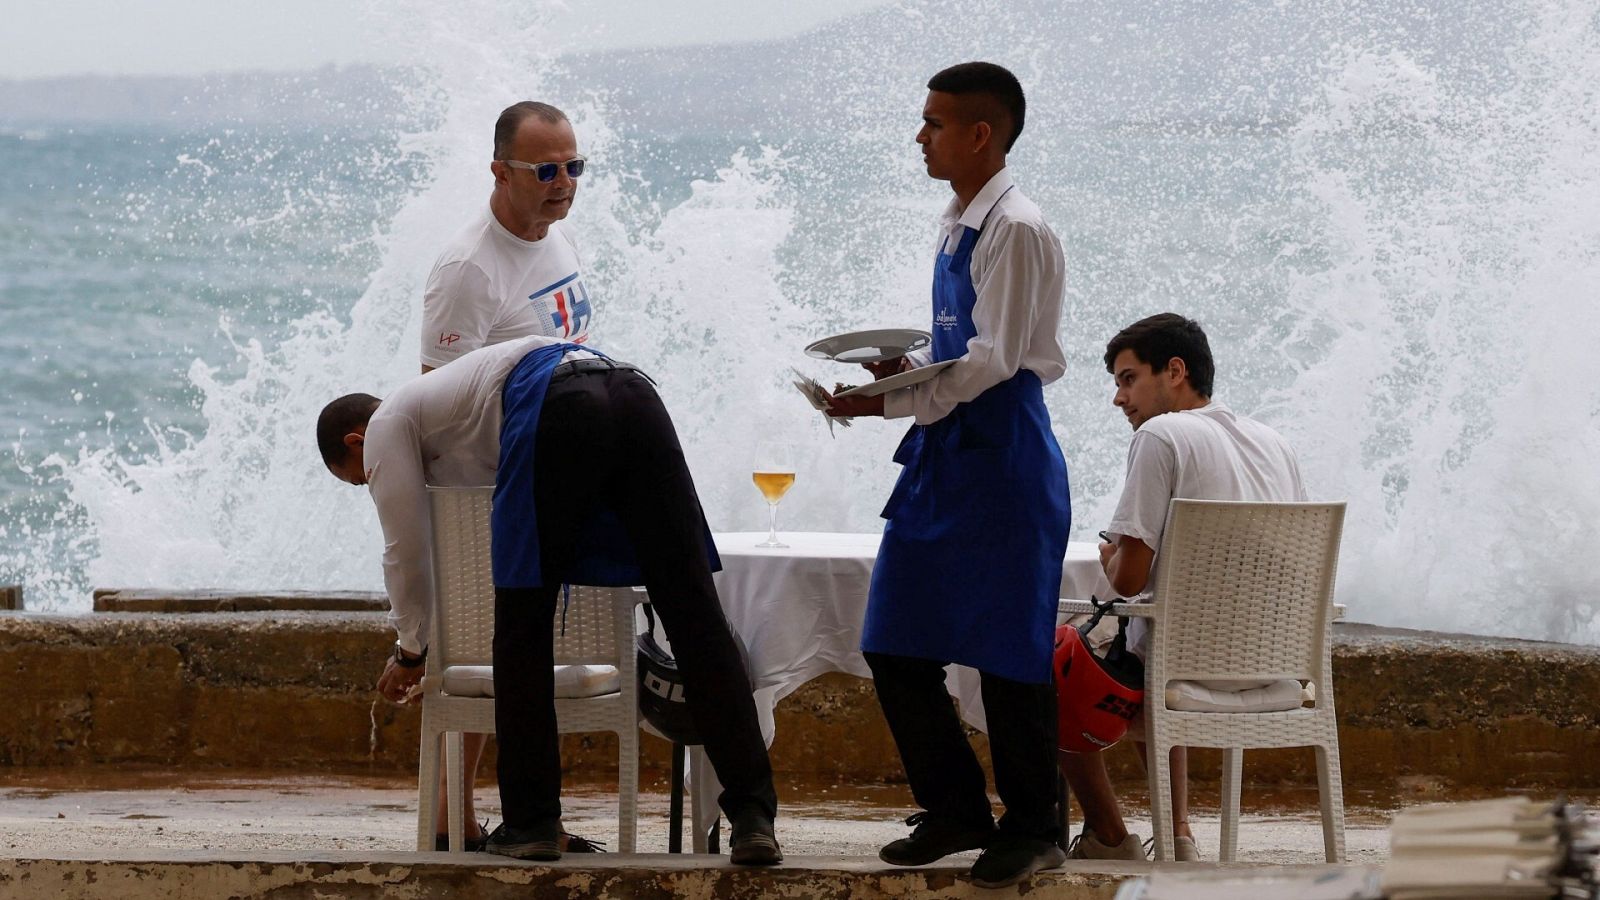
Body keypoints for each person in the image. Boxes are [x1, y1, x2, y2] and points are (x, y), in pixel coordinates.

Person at [316, 336, 781, 864]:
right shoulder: (453, 410)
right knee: (694, 614)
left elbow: (406, 549)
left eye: (359, 479)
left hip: (554, 404)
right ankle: (752, 818)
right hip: (632, 390)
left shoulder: (386, 423)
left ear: (357, 442)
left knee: (520, 628)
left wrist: (411, 649)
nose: (372, 479)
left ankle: (533, 823)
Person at [827, 61, 1070, 889]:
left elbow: (997, 359)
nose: (919, 136)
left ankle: (1037, 824)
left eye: (933, 123)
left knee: (1009, 651)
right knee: (893, 641)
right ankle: (958, 808)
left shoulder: (1019, 227)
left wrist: (896, 402)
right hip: (947, 453)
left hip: (1001, 455)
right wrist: (895, 371)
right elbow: (954, 345)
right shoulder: (957, 219)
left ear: (981, 133)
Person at [1060, 312, 1308, 863]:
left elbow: (1126, 581)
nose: (1119, 399)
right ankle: (1178, 837)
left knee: (1046, 666)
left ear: (1175, 370)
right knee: (1154, 642)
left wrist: (1108, 550)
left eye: (1128, 379)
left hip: (1185, 671)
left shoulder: (1161, 435)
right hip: (1274, 670)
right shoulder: (1275, 443)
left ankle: (1108, 835)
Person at [415, 100, 595, 851]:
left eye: (574, 168)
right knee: (479, 666)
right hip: (483, 495)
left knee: (506, 666)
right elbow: (435, 401)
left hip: (545, 483)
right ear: (499, 171)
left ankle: (461, 819)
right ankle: (451, 820)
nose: (563, 184)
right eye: (545, 170)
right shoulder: (468, 269)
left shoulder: (553, 240)